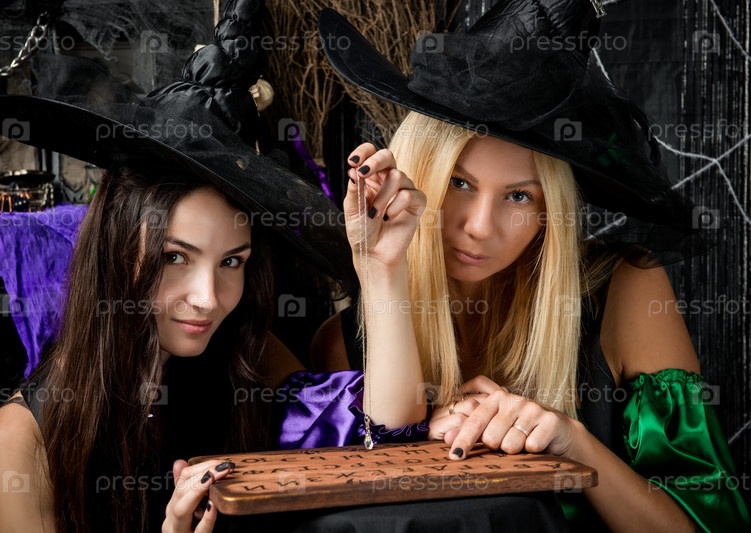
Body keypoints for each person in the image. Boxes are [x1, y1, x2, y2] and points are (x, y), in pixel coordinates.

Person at [306, 3, 750, 531]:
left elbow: (703, 526)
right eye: (459, 182)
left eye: (519, 196)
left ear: (549, 212)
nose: (479, 226)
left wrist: (571, 442)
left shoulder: (624, 293)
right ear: (418, 171)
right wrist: (381, 272)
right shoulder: (345, 343)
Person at [0, 2, 352, 530]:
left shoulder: (250, 355)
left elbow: (362, 432)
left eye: (232, 261)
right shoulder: (20, 439)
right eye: (174, 257)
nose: (208, 298)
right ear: (116, 249)